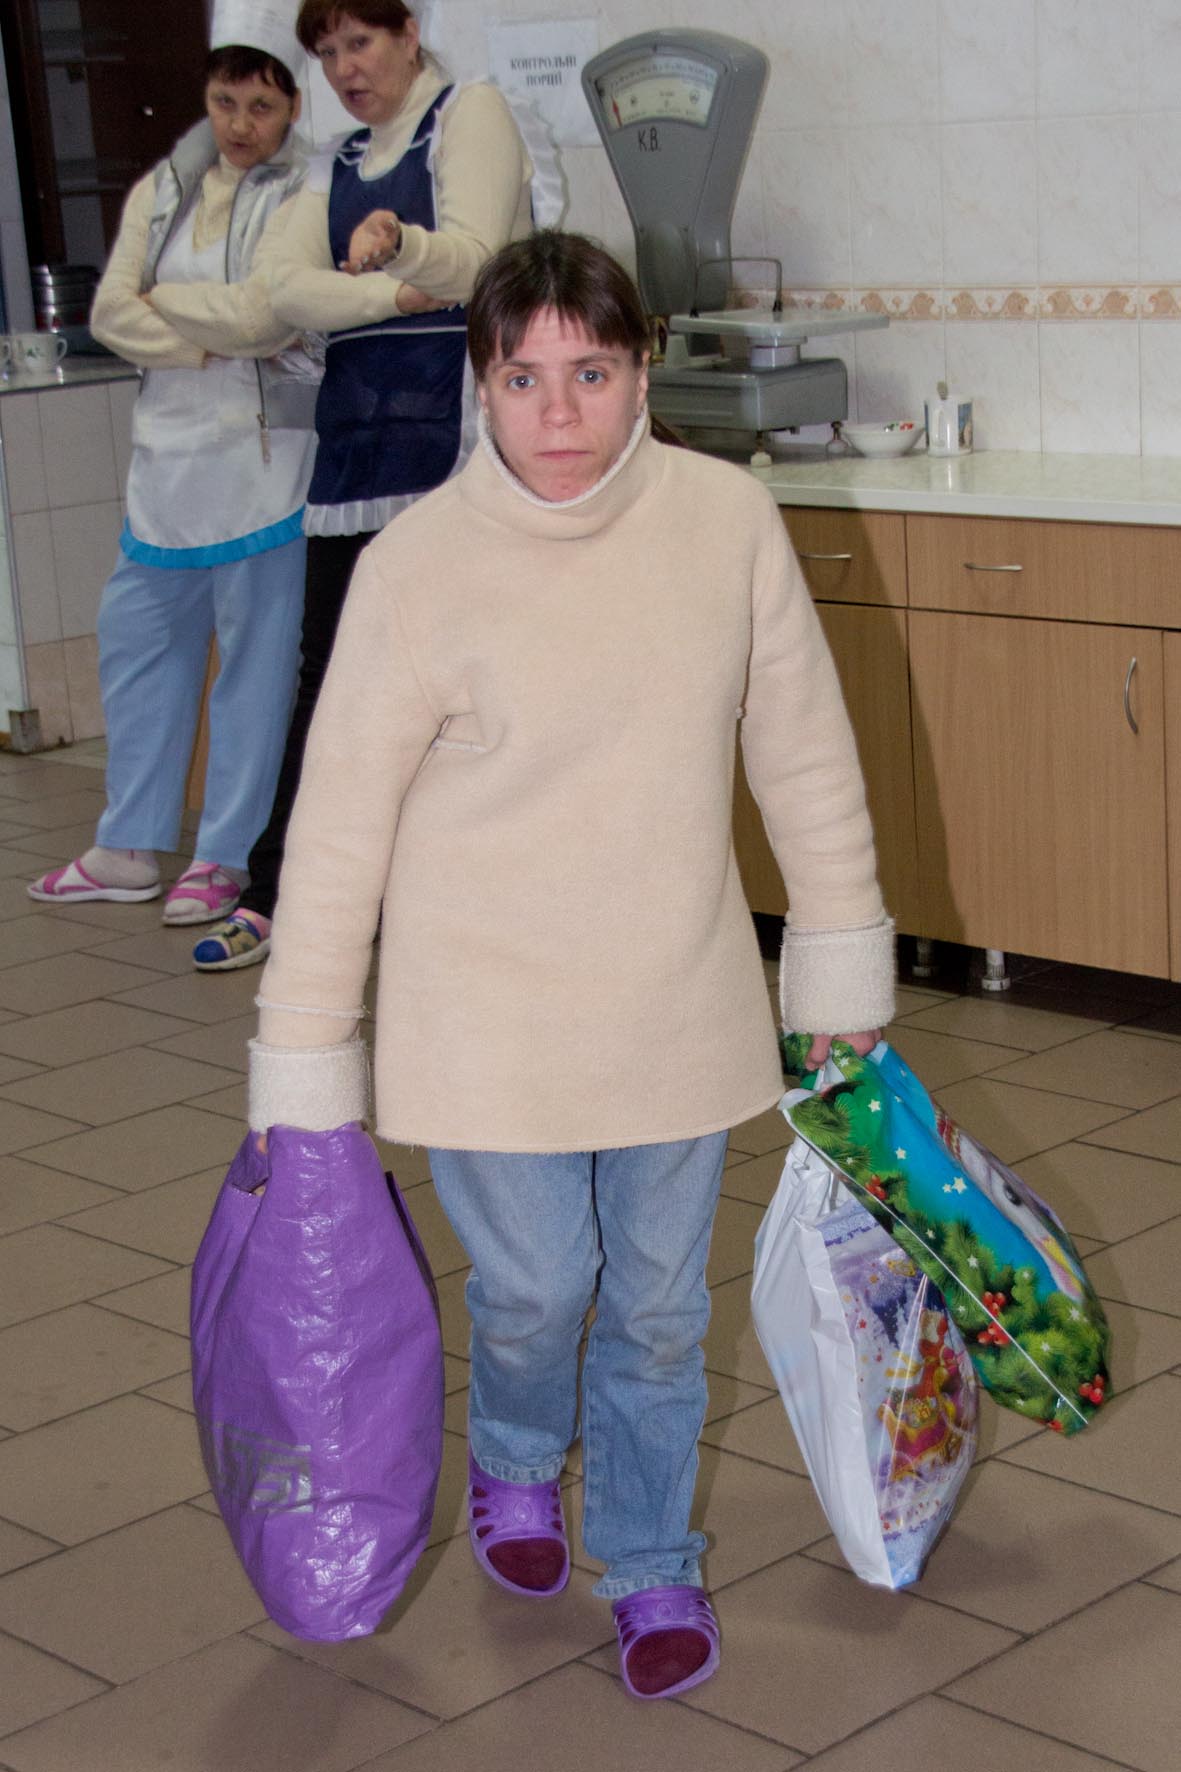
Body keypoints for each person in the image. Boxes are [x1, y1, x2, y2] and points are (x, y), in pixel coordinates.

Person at [246, 232, 894, 1700]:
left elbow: (803, 758)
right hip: (484, 1012)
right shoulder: (416, 567)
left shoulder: (724, 524)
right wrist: (304, 1056)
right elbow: (337, 827)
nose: (558, 413)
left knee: (660, 1311)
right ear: (480, 384)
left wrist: (839, 977)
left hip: (673, 998)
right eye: (523, 377)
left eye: (590, 373)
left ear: (641, 372)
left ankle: (652, 1554)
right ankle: (517, 1450)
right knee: (538, 1288)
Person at [192, 0, 533, 970]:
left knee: (467, 680)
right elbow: (282, 287)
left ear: (408, 35)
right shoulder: (332, 162)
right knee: (329, 676)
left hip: (457, 452)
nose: (344, 67)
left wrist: (404, 244)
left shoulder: (469, 114)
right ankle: (279, 894)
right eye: (328, 50)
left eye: (361, 42)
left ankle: (466, 896)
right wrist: (393, 291)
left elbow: (478, 259)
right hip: (354, 453)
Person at [28, 22, 320, 926]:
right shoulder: (163, 188)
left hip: (265, 469)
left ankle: (224, 856)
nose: (240, 124)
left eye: (261, 105)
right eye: (225, 102)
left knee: (255, 674)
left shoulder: (308, 191)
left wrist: (178, 311)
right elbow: (112, 314)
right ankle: (127, 844)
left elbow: (271, 317)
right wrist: (210, 337)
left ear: (293, 105)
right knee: (137, 648)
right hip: (166, 466)